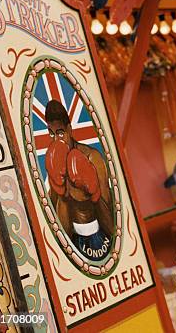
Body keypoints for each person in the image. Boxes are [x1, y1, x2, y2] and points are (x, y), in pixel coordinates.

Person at [44, 99, 114, 262]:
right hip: (73, 243)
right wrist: (60, 190)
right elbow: (53, 218)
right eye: (51, 134)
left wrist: (92, 193)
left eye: (60, 133)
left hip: (101, 238)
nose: (56, 139)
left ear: (69, 129)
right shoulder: (56, 159)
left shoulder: (92, 157)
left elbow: (110, 216)